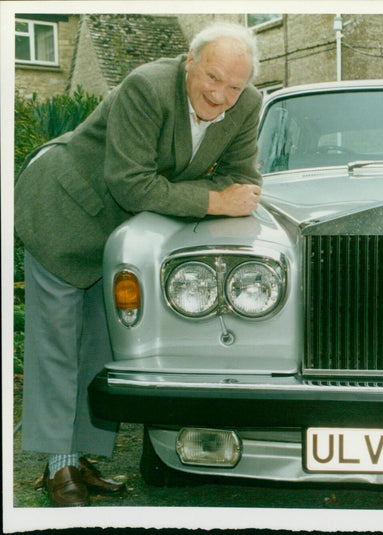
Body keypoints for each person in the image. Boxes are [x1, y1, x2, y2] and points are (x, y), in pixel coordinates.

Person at [14, 22, 263, 507]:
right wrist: (216, 201)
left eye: (235, 86)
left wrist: (227, 195)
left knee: (101, 347)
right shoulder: (147, 87)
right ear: (189, 62)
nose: (221, 97)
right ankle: (55, 467)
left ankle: (81, 460)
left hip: (122, 235)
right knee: (58, 345)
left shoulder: (247, 104)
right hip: (64, 209)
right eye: (212, 78)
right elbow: (131, 182)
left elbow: (243, 177)